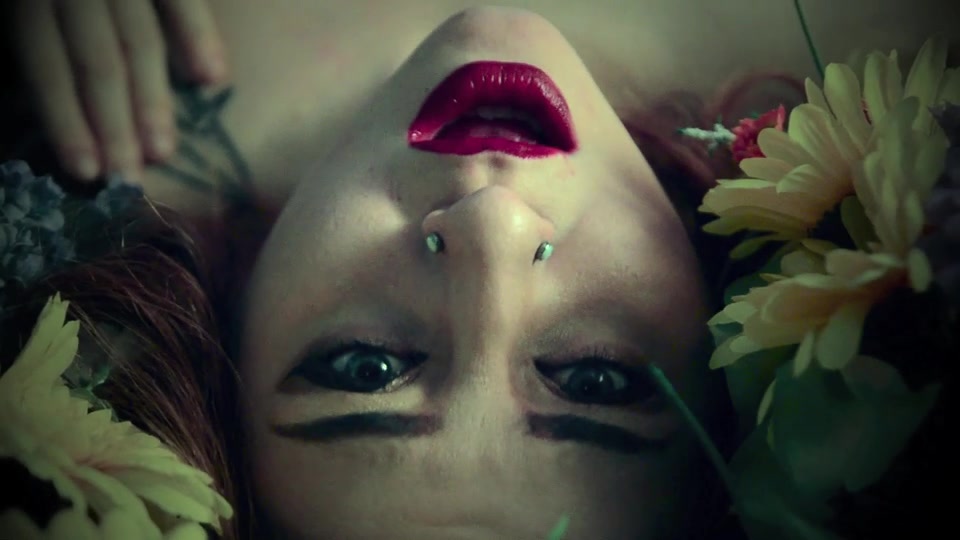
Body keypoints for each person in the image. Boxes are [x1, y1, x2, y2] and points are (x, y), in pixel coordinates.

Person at [1, 2, 956, 539]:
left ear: (226, 330)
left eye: (366, 367)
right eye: (594, 380)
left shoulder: (76, 98)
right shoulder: (914, 45)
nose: (492, 227)